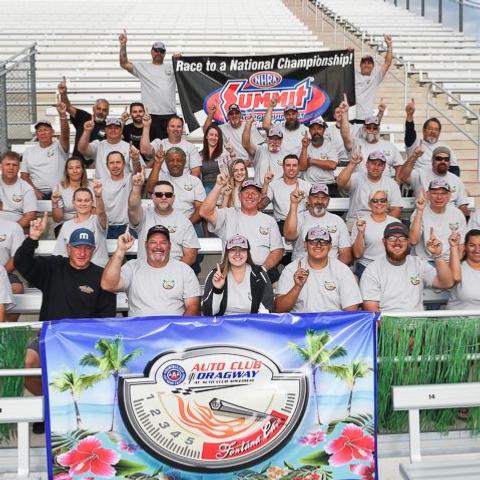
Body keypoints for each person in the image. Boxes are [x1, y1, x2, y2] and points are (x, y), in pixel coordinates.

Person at [14, 214, 116, 396]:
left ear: (94, 249)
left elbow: (106, 320)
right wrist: (33, 239)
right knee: (26, 362)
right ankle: (50, 404)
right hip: (50, 337)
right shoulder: (53, 267)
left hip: (84, 341)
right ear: (68, 248)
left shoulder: (102, 276)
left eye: (87, 248)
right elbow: (21, 263)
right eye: (77, 247)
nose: (82, 253)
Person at [101, 225, 201, 317]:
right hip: (140, 333)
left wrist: (175, 332)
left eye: (163, 242)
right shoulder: (132, 267)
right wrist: (120, 250)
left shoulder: (184, 270)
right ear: (146, 245)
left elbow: (193, 307)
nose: (158, 246)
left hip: (172, 332)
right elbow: (107, 285)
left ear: (169, 246)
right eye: (153, 242)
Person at [200, 176, 284, 282]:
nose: (250, 196)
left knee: (277, 286)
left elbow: (278, 250)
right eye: (246, 192)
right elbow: (204, 212)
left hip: (262, 271)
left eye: (254, 193)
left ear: (260, 198)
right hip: (232, 270)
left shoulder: (269, 220)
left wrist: (263, 269)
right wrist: (218, 185)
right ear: (239, 196)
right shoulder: (228, 214)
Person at [361, 222, 454, 312]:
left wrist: (437, 255)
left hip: (417, 324)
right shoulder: (373, 269)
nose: (397, 242)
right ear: (384, 242)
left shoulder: (418, 264)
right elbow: (370, 308)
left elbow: (447, 283)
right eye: (392, 238)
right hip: (387, 324)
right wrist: (391, 328)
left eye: (402, 238)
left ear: (408, 241)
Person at [275, 226, 362, 313]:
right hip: (301, 323)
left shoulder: (342, 270)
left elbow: (351, 312)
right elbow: (279, 309)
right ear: (305, 245)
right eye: (313, 241)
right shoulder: (291, 269)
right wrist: (297, 286)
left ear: (330, 246)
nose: (318, 245)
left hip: (333, 323)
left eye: (324, 242)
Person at [129, 173, 200, 265]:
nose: (163, 197)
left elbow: (190, 256)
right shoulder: (143, 216)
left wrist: (172, 273)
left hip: (172, 275)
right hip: (145, 273)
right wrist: (136, 186)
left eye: (168, 195)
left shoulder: (183, 221)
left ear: (173, 198)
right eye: (159, 194)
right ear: (153, 198)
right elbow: (133, 208)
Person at [119, 32, 177, 140]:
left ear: (165, 54)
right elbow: (124, 63)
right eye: (156, 50)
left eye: (161, 51)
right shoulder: (143, 67)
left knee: (171, 146)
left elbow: (189, 71)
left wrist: (180, 60)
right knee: (153, 148)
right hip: (151, 115)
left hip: (170, 114)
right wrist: (123, 44)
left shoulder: (172, 67)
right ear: (151, 52)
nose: (158, 53)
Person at [202, 234, 274, 316]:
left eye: (242, 250)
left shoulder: (259, 274)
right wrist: (217, 290)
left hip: (251, 325)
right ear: (227, 253)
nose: (237, 254)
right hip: (222, 326)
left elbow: (266, 312)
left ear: (248, 253)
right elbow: (208, 313)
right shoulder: (216, 274)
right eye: (233, 250)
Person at [284, 183, 352, 264]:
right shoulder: (298, 217)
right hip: (302, 269)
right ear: (308, 199)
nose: (320, 201)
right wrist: (294, 204)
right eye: (315, 197)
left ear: (328, 200)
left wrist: (333, 271)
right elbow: (289, 237)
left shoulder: (338, 221)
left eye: (324, 198)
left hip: (331, 270)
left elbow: (346, 255)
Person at [336, 150, 402, 228]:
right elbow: (340, 182)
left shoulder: (391, 183)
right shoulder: (357, 177)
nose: (376, 167)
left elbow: (396, 209)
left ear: (384, 167)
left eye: (380, 165)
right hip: (356, 220)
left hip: (381, 221)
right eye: (373, 164)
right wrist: (352, 163)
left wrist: (383, 225)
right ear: (367, 164)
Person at [398, 145, 469, 216]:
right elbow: (402, 176)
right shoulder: (420, 173)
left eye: (446, 159)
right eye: (439, 158)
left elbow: (462, 205)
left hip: (449, 220)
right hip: (424, 217)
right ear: (432, 160)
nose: (443, 161)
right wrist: (414, 156)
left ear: (449, 162)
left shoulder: (456, 180)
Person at [146, 147, 206, 230]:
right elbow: (150, 189)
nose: (175, 163)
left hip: (190, 223)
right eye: (171, 160)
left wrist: (187, 225)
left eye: (179, 160)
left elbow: (200, 208)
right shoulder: (160, 178)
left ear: (185, 162)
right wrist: (157, 164)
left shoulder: (194, 181)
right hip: (162, 224)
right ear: (166, 162)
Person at [410, 179, 467, 262]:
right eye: (435, 193)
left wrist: (454, 264)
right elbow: (413, 241)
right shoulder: (419, 211)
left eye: (443, 193)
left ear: (449, 195)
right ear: (428, 195)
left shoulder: (457, 213)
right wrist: (419, 210)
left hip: (449, 261)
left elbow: (461, 246)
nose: (439, 197)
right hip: (424, 261)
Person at [21, 103, 70, 200]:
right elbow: (24, 176)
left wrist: (62, 115)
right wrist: (33, 191)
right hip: (37, 194)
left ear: (52, 132)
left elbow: (65, 134)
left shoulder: (59, 146)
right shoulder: (29, 151)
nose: (43, 133)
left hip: (61, 192)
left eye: (46, 129)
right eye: (40, 130)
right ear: (36, 134)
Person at [340, 108, 403, 180]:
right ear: (363, 129)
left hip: (383, 188)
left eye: (374, 128)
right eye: (368, 127)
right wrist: (345, 113)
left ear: (378, 130)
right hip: (360, 187)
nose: (371, 130)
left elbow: (399, 165)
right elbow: (345, 136)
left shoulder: (389, 146)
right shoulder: (356, 143)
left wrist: (397, 183)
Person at [53, 185, 109, 267]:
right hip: (75, 272)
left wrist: (98, 196)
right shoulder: (66, 226)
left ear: (92, 202)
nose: (83, 203)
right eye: (79, 200)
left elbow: (101, 213)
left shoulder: (98, 221)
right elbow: (60, 254)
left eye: (87, 200)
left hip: (99, 269)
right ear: (73, 203)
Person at [57, 77, 109, 163]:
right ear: (93, 109)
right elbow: (68, 107)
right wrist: (63, 94)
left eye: (104, 110)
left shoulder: (109, 128)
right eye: (98, 109)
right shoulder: (84, 117)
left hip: (96, 166)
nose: (101, 112)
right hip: (77, 164)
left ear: (108, 112)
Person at [404, 98, 460, 175]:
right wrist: (410, 115)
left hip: (439, 182)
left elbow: (455, 169)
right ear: (424, 130)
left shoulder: (445, 148)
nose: (433, 132)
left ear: (439, 132)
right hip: (418, 182)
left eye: (436, 130)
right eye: (430, 129)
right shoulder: (414, 144)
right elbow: (410, 131)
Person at [78, 117, 144, 180]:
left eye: (116, 128)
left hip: (123, 188)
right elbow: (82, 149)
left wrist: (136, 160)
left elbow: (139, 172)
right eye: (110, 127)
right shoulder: (98, 145)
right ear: (105, 130)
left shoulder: (129, 147)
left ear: (121, 130)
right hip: (101, 188)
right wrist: (87, 131)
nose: (113, 130)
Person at [351, 190, 398, 278]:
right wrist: (361, 232)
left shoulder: (395, 223)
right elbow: (357, 254)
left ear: (387, 203)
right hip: (366, 266)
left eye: (382, 200)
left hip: (389, 266)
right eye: (375, 201)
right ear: (369, 204)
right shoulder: (361, 222)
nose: (379, 203)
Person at [261, 154, 310, 234]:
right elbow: (261, 205)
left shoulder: (306, 185)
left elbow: (311, 208)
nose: (291, 168)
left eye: (294, 165)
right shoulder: (273, 185)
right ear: (283, 167)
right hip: (281, 224)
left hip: (302, 222)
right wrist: (266, 183)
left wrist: (308, 204)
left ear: (298, 168)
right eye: (288, 165)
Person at [353, 35, 393, 122]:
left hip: (368, 118)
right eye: (364, 63)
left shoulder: (375, 77)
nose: (366, 65)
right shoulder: (353, 74)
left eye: (369, 63)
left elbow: (388, 62)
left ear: (373, 66)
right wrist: (347, 52)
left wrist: (389, 46)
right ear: (360, 65)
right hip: (353, 117)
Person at [299, 116, 339, 196]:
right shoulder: (304, 145)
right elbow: (302, 167)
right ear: (309, 131)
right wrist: (304, 147)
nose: (316, 131)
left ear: (324, 130)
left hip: (328, 184)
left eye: (319, 128)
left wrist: (311, 161)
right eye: (313, 129)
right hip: (308, 185)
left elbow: (332, 165)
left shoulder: (330, 145)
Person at [100, 151, 136, 239]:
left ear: (124, 164)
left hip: (128, 227)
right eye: (112, 163)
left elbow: (138, 172)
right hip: (107, 228)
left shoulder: (130, 179)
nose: (115, 166)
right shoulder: (100, 183)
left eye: (118, 162)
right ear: (107, 165)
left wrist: (135, 160)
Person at [243, 116, 289, 184]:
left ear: (281, 140)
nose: (275, 142)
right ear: (267, 139)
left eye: (277, 139)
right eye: (272, 139)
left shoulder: (287, 154)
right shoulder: (260, 150)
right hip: (259, 190)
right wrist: (248, 124)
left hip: (276, 192)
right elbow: (245, 144)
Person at [51, 156, 90, 236]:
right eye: (71, 168)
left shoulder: (91, 186)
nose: (75, 171)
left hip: (87, 223)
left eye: (78, 167)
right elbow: (57, 219)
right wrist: (55, 203)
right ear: (66, 171)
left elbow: (95, 212)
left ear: (83, 169)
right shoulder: (59, 188)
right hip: (65, 224)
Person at [0, 151, 37, 228]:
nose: (11, 168)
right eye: (7, 164)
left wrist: (11, 230)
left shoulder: (26, 187)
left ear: (19, 168)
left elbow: (30, 216)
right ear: (1, 167)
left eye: (14, 165)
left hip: (16, 229)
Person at [447, 229, 480, 310]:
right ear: (465, 247)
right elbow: (454, 278)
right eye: (472, 245)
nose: (477, 250)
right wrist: (454, 247)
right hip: (457, 321)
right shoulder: (457, 267)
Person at [200, 124, 234, 193]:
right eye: (211, 134)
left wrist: (232, 153)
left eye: (216, 135)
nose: (213, 137)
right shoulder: (200, 155)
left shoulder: (225, 154)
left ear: (219, 138)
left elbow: (233, 170)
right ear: (206, 136)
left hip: (222, 187)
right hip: (204, 188)